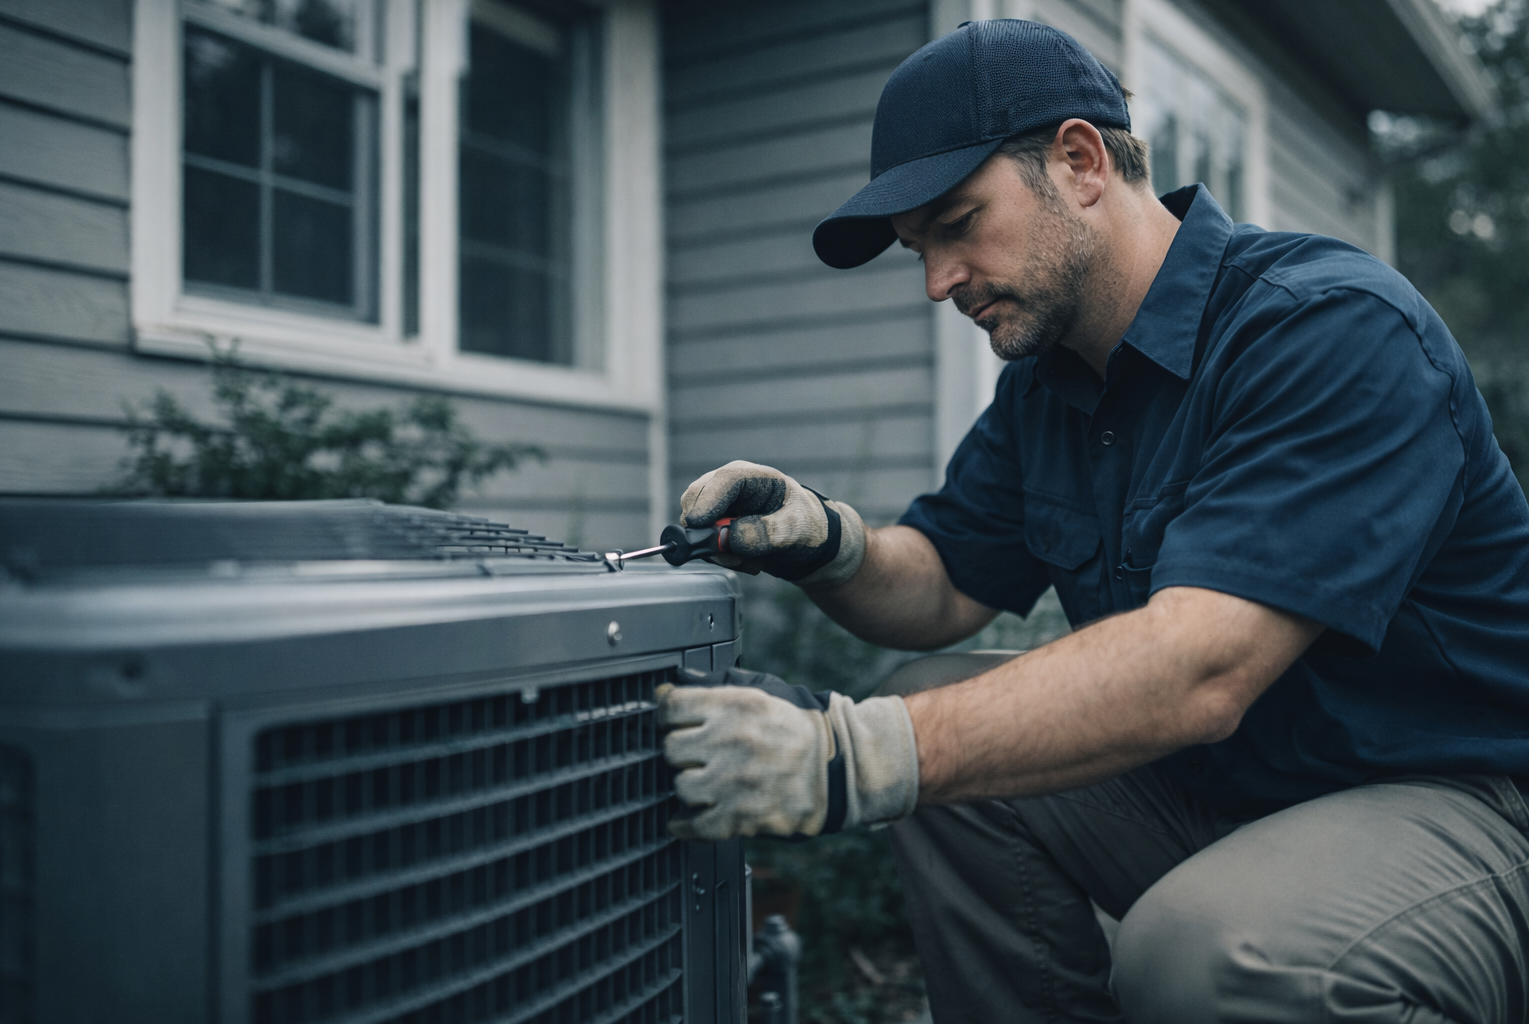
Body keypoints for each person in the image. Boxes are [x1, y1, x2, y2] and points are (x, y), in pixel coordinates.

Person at [655, 19, 1529, 1024]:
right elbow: (941, 579)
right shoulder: (1054, 382)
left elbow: (1201, 669)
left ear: (1078, 161)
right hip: (1238, 786)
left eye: (957, 222)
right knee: (934, 708)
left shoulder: (1327, 328)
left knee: (1212, 954)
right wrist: (826, 540)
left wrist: (848, 755)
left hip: (1464, 797)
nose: (939, 280)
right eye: (918, 250)